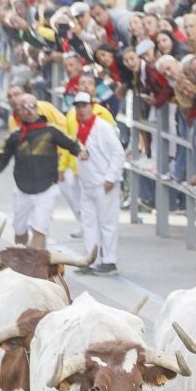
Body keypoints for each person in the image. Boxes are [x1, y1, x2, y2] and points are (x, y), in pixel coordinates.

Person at [0, 95, 82, 250]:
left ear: (38, 108)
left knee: (39, 230)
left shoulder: (51, 131)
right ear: (19, 111)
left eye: (32, 106)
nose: (29, 111)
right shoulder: (15, 135)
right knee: (19, 230)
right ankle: (20, 262)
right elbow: (3, 157)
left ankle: (34, 267)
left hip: (47, 188)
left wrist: (81, 152)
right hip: (22, 189)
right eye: (24, 107)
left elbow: (71, 144)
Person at [69, 91, 125, 277]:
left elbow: (118, 153)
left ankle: (110, 261)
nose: (81, 109)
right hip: (88, 184)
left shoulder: (102, 127)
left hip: (104, 183)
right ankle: (90, 260)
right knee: (89, 224)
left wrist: (111, 177)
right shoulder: (79, 128)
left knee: (107, 223)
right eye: (78, 106)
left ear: (91, 106)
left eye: (84, 105)